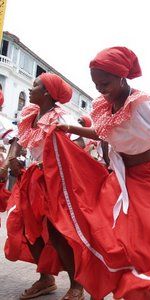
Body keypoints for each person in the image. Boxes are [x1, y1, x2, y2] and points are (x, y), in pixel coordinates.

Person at [52, 46, 150, 299]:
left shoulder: (143, 105)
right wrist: (69, 127)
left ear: (121, 76)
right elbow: (103, 132)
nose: (100, 89)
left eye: (105, 82)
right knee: (114, 243)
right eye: (95, 84)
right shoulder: (104, 106)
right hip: (122, 182)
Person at [3, 73, 85, 300]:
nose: (31, 88)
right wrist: (12, 159)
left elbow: (78, 144)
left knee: (59, 234)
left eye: (36, 85)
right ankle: (46, 278)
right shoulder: (30, 115)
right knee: (27, 230)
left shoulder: (63, 116)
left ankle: (77, 285)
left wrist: (47, 162)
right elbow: (18, 142)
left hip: (53, 182)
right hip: (30, 179)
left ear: (48, 92)